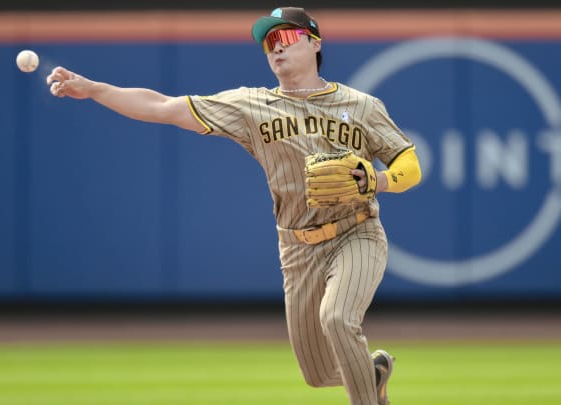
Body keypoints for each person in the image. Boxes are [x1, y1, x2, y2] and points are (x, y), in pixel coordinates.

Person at [46, 7, 421, 405]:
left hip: (356, 232)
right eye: (268, 43)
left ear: (314, 43)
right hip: (297, 247)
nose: (276, 49)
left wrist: (377, 180)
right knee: (318, 374)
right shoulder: (250, 107)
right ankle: (373, 371)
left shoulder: (361, 105)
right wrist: (94, 89)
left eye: (286, 38)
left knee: (337, 318)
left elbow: (409, 163)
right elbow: (163, 107)